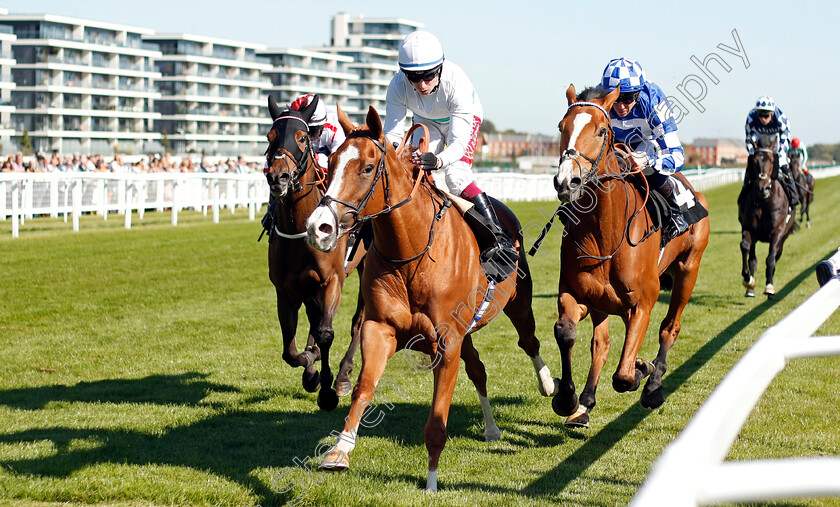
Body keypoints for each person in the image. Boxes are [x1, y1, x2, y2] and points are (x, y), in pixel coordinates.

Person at [382, 30, 517, 281]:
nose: (422, 85)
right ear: (404, 74)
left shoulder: (457, 83)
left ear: (440, 68)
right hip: (426, 120)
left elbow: (457, 145)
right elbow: (393, 135)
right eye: (414, 78)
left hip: (464, 117)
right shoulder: (397, 85)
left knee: (455, 175)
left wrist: (439, 160)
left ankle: (498, 239)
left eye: (428, 77)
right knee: (411, 169)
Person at [598, 58, 689, 240]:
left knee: (642, 161)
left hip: (646, 143)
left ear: (639, 94)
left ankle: (674, 213)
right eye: (615, 98)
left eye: (628, 98)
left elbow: (678, 156)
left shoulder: (655, 102)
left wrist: (649, 161)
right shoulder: (599, 99)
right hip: (614, 144)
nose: (620, 106)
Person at [742, 95, 799, 210]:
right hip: (759, 142)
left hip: (776, 141)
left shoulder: (781, 118)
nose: (763, 118)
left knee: (783, 165)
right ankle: (743, 197)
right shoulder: (751, 117)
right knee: (751, 165)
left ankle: (793, 196)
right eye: (760, 115)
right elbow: (749, 139)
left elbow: (785, 138)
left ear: (772, 114)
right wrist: (753, 153)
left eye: (766, 115)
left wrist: (781, 155)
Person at [288, 93, 345, 170]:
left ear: (321, 126)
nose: (306, 135)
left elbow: (337, 164)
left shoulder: (336, 128)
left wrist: (315, 158)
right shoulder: (287, 124)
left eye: (310, 130)